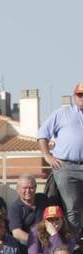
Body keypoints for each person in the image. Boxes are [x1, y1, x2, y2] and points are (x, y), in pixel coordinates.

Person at [36, 82, 83, 230]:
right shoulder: (62, 113)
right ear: (74, 96)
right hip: (66, 167)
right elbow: (42, 135)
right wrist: (47, 155)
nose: (82, 98)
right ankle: (75, 244)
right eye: (80, 95)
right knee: (72, 207)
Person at [8, 174, 48, 254]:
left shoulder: (43, 199)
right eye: (24, 188)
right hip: (28, 243)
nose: (28, 191)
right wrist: (37, 241)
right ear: (18, 189)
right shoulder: (14, 208)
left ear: (36, 188)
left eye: (31, 187)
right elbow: (17, 233)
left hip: (46, 239)